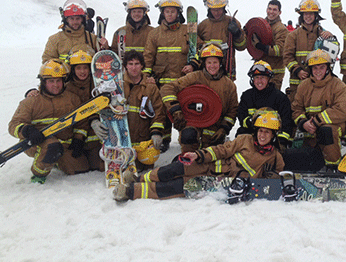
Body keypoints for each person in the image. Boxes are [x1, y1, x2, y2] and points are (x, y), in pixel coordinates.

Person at [112, 109, 285, 201]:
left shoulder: (275, 157)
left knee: (177, 186)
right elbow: (221, 150)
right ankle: (138, 179)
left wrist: (270, 178)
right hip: (207, 165)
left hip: (218, 183)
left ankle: (130, 192)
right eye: (261, 131)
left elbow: (272, 183)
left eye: (267, 133)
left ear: (273, 135)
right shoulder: (245, 139)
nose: (262, 135)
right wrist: (198, 155)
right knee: (174, 168)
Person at [8, 60, 89, 183]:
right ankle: (38, 176)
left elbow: (81, 123)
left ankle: (55, 160)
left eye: (58, 81)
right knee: (52, 147)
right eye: (51, 81)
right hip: (37, 142)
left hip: (64, 143)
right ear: (43, 82)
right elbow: (13, 125)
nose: (55, 85)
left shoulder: (72, 99)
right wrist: (27, 130)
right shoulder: (31, 101)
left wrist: (78, 138)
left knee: (81, 168)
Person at [160, 43, 238, 155]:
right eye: (209, 62)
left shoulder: (229, 85)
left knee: (212, 158)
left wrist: (224, 129)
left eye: (215, 62)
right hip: (193, 124)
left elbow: (232, 110)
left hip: (214, 130)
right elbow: (167, 88)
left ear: (220, 63)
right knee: (188, 135)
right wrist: (176, 110)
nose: (212, 66)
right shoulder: (194, 77)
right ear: (204, 63)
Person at [143, 0, 195, 150]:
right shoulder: (154, 33)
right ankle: (164, 141)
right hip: (161, 81)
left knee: (184, 111)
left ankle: (185, 140)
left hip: (182, 82)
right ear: (162, 13)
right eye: (167, 11)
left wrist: (193, 65)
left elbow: (198, 50)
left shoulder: (188, 30)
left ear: (178, 13)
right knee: (162, 112)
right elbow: (148, 57)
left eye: (173, 11)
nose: (170, 14)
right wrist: (146, 77)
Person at [291, 49, 346, 171]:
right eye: (315, 68)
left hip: (333, 127)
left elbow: (342, 111)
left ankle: (333, 166)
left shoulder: (338, 85)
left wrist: (317, 121)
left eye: (321, 68)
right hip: (309, 128)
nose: (318, 72)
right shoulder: (303, 86)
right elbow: (296, 109)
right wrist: (304, 123)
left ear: (328, 68)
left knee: (326, 131)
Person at [283, 0, 333, 103]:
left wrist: (330, 38)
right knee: (297, 109)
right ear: (301, 15)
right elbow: (287, 57)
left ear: (316, 15)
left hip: (318, 82)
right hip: (297, 82)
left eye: (311, 14)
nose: (308, 16)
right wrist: (297, 71)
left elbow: (330, 55)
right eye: (305, 14)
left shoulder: (323, 34)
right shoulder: (293, 36)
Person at [236, 60, 294, 147]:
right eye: (256, 77)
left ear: (269, 79)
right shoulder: (247, 96)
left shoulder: (280, 98)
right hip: (251, 138)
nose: (259, 81)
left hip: (273, 139)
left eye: (262, 77)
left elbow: (287, 123)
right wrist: (250, 122)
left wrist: (280, 142)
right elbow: (242, 117)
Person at [64, 49, 105, 171]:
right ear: (72, 70)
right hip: (74, 134)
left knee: (97, 166)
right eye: (78, 68)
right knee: (76, 167)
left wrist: (95, 120)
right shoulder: (66, 87)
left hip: (92, 133)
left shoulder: (98, 84)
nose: (82, 72)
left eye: (85, 68)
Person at [196, 0, 246, 80]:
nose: (217, 12)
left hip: (227, 70)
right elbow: (196, 47)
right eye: (214, 10)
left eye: (219, 9)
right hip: (207, 71)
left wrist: (237, 34)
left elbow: (241, 47)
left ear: (224, 8)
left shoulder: (232, 22)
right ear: (209, 9)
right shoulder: (203, 25)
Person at [42, 0, 107, 63]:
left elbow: (104, 61)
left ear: (82, 19)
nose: (75, 22)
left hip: (87, 73)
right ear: (66, 20)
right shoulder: (54, 40)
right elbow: (47, 62)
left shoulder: (92, 38)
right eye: (72, 19)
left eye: (78, 18)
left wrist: (106, 48)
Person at [249, 0, 288, 90]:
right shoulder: (261, 25)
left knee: (272, 101)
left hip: (274, 74)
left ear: (280, 12)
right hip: (260, 71)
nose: (271, 12)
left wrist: (260, 46)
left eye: (274, 10)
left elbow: (280, 50)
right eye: (269, 9)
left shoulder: (281, 29)